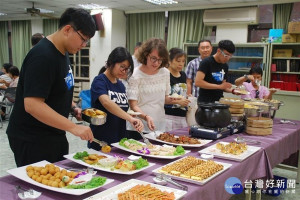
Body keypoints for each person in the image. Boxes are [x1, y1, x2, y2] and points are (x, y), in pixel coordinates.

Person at [6, 8, 96, 167]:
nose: (84, 45)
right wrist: (73, 127)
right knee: (42, 185)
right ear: (68, 29)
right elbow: (32, 105)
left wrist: (73, 108)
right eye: (83, 39)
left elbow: (57, 90)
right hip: (33, 137)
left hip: (53, 132)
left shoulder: (64, 52)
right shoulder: (43, 56)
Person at [89, 47, 144, 149]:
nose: (124, 71)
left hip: (119, 139)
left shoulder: (120, 85)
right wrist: (130, 118)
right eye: (122, 66)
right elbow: (106, 102)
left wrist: (134, 118)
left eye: (127, 69)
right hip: (102, 140)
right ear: (111, 62)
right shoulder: (99, 81)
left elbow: (121, 109)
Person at [127, 38, 176, 136]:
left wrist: (177, 100)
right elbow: (133, 105)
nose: (157, 63)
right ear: (145, 55)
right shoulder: (136, 74)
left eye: (160, 60)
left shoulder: (165, 73)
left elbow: (165, 98)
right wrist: (146, 117)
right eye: (153, 58)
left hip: (159, 124)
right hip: (139, 125)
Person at [164, 48, 190, 130]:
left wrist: (187, 97)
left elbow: (182, 93)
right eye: (178, 61)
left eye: (183, 61)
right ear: (169, 61)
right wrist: (178, 101)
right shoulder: (165, 74)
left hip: (182, 117)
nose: (181, 64)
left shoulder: (183, 75)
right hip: (168, 117)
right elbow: (160, 98)